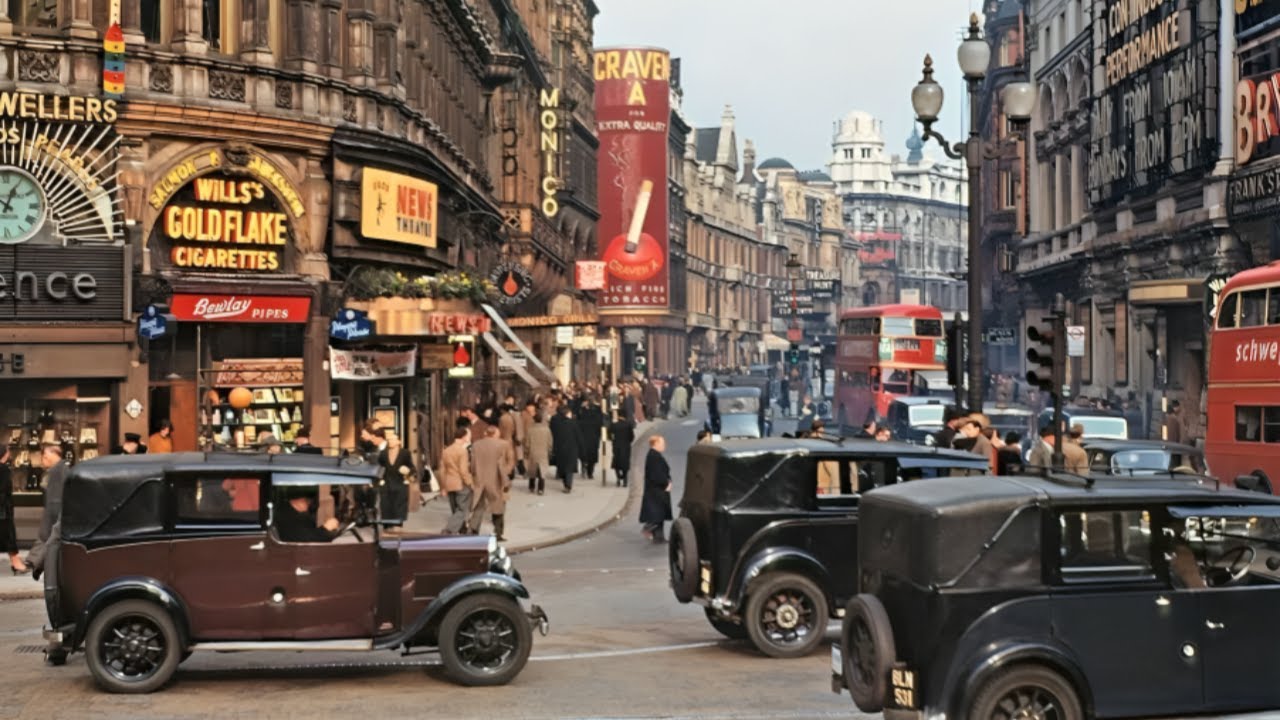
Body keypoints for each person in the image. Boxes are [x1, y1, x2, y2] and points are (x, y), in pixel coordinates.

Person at [25, 445, 68, 579]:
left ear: (54, 454)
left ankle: (37, 563)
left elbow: (56, 495)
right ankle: (35, 562)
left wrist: (53, 512)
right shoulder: (60, 469)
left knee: (47, 537)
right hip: (54, 509)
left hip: (55, 510)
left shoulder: (58, 470)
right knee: (47, 537)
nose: (44, 459)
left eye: (46, 456)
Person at [469, 426, 514, 541]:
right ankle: (498, 533)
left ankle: (473, 530)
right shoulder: (504, 444)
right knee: (498, 506)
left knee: (479, 505)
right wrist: (505, 472)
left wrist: (474, 474)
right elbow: (510, 461)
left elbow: (472, 464)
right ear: (495, 434)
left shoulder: (476, 444)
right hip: (496, 479)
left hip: (479, 479)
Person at [275, 486, 341, 543]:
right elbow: (310, 540)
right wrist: (326, 529)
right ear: (299, 500)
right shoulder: (288, 517)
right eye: (307, 500)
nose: (309, 504)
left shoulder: (289, 512)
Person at [438, 428, 474, 534]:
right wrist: (469, 482)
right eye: (468, 435)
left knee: (455, 508)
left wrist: (443, 486)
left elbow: (442, 470)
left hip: (449, 483)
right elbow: (463, 470)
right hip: (460, 483)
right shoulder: (462, 451)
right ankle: (449, 529)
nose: (469, 437)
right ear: (463, 437)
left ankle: (462, 528)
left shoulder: (446, 450)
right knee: (462, 509)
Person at [1, 447, 29, 575]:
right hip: (3, 510)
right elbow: (5, 490)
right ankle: (16, 563)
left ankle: (16, 562)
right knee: (9, 535)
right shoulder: (3, 469)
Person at [640, 435, 672, 543]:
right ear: (656, 444)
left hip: (656, 490)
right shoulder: (654, 457)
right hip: (657, 491)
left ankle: (659, 537)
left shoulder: (654, 455)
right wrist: (666, 483)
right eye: (662, 443)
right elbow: (657, 475)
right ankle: (648, 528)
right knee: (657, 514)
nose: (664, 445)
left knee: (660, 514)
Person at [379, 431, 414, 525]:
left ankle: (397, 528)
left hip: (400, 485)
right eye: (389, 439)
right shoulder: (383, 454)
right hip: (386, 485)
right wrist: (379, 480)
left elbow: (412, 468)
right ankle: (387, 528)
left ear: (398, 441)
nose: (390, 441)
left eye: (392, 439)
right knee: (386, 508)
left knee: (399, 509)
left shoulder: (405, 453)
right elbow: (379, 467)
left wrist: (408, 472)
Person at [550, 404, 582, 493]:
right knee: (569, 469)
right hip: (572, 449)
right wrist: (581, 449)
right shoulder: (574, 423)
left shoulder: (558, 424)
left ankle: (566, 484)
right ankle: (568, 485)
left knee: (563, 468)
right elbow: (578, 437)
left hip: (561, 449)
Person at [577, 394, 605, 481]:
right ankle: (590, 473)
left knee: (584, 453)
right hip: (594, 437)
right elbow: (601, 423)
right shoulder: (598, 411)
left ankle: (584, 467)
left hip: (585, 436)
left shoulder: (583, 411)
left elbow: (579, 421)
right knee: (592, 455)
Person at [524, 411, 553, 495]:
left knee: (532, 470)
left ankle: (531, 486)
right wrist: (549, 451)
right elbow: (550, 442)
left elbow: (527, 443)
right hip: (543, 452)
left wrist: (526, 452)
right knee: (542, 471)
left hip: (533, 452)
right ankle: (541, 489)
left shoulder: (530, 430)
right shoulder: (547, 430)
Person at [609, 413, 636, 487]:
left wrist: (613, 440)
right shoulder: (628, 425)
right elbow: (632, 436)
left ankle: (618, 478)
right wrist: (628, 441)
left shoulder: (614, 425)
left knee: (616, 462)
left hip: (616, 446)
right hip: (626, 446)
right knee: (625, 463)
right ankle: (625, 479)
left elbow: (609, 434)